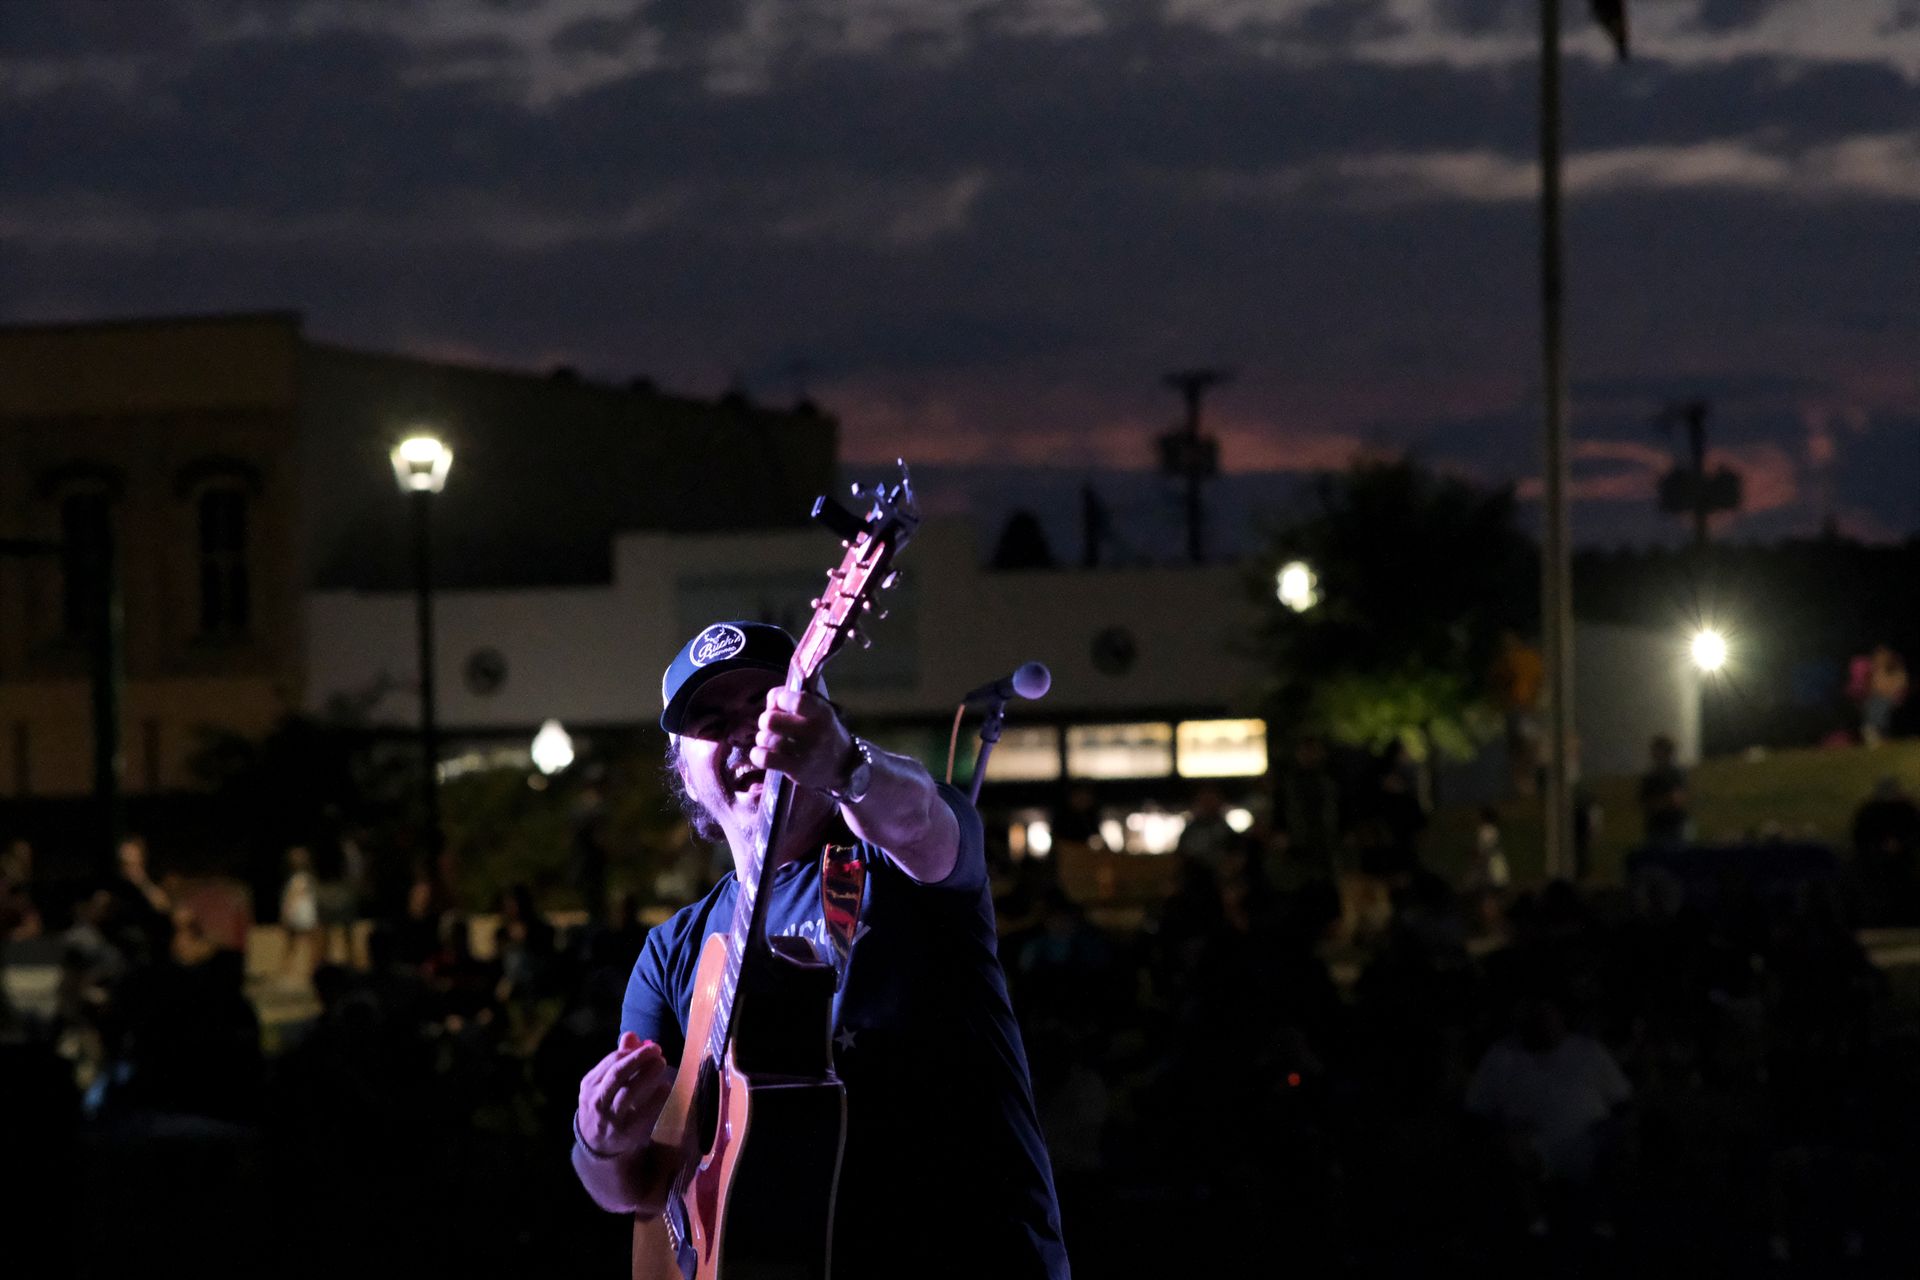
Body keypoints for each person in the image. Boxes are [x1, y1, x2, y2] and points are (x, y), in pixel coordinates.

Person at [572, 621, 1068, 1279]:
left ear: (818, 722)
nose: (747, 731)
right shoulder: (673, 950)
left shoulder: (891, 858)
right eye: (712, 721)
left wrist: (847, 766)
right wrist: (600, 1141)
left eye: (767, 704)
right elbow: (634, 1188)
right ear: (685, 777)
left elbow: (923, 822)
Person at [1637, 735, 1689, 848]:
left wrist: (1657, 803)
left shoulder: (1675, 774)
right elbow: (1643, 802)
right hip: (1655, 827)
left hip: (1672, 827)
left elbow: (1676, 800)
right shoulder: (1650, 777)